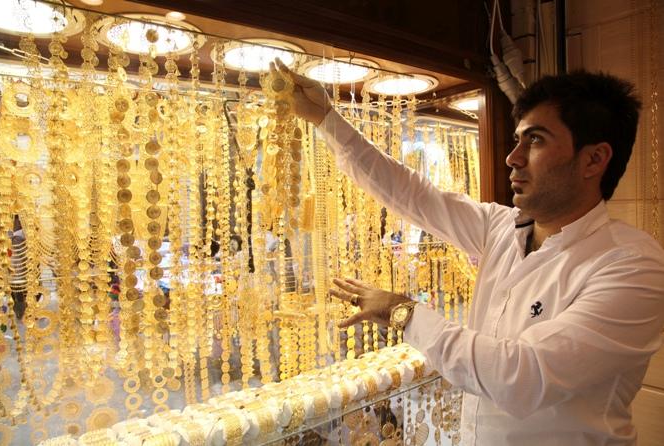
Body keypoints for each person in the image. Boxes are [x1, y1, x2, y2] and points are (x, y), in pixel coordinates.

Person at [271, 59, 664, 445]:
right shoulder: (502, 227)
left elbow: (521, 378)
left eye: (536, 140)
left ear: (594, 159)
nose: (514, 157)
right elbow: (412, 194)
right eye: (518, 139)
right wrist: (326, 118)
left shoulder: (631, 266)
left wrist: (402, 312)